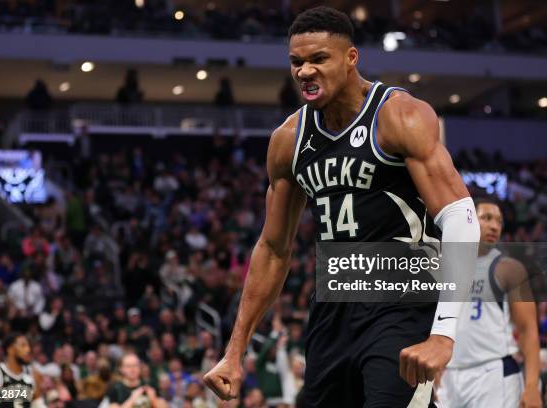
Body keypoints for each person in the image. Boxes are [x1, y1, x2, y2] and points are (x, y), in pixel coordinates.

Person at [203, 6, 480, 407]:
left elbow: (461, 218)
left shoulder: (399, 115)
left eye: (318, 59)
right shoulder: (288, 139)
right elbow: (273, 249)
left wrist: (443, 333)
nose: (304, 71)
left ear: (351, 59)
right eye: (297, 62)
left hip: (401, 298)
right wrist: (234, 351)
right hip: (334, 306)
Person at [436, 197, 542, 407]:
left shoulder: (509, 268)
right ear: (469, 220)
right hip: (449, 374)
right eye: (486, 218)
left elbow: (528, 329)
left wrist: (531, 386)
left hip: (492, 372)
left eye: (499, 221)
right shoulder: (442, 266)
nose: (494, 226)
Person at [0, 333, 42, 407]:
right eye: (23, 345)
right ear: (10, 349)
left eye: (28, 346)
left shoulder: (34, 375)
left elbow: (37, 404)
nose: (28, 349)